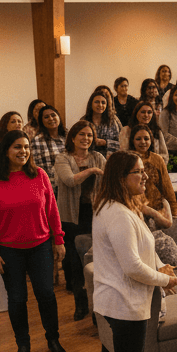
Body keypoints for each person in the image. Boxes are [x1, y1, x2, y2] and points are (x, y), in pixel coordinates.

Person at [91, 150, 177, 352]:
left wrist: (159, 266)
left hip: (129, 299)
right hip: (122, 301)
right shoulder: (116, 214)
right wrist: (165, 280)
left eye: (144, 170)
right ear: (120, 178)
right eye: (138, 172)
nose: (145, 176)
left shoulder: (126, 207)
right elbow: (130, 266)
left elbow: (142, 249)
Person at [0, 130, 66, 352]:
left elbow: (52, 210)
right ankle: (23, 345)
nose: (23, 151)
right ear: (5, 150)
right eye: (17, 146)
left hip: (41, 246)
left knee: (46, 295)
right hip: (8, 251)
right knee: (17, 299)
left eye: (26, 147)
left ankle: (53, 339)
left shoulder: (39, 175)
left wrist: (59, 239)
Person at [54, 120, 106, 321]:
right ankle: (81, 305)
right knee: (75, 263)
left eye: (90, 135)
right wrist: (92, 171)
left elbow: (108, 179)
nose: (86, 139)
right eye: (82, 135)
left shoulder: (98, 156)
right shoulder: (63, 158)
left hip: (95, 215)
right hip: (71, 218)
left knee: (95, 261)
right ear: (73, 138)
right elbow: (69, 180)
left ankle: (98, 307)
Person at [130, 123, 177, 217]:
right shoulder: (127, 159)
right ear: (132, 141)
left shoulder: (157, 159)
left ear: (151, 140)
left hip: (157, 209)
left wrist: (174, 210)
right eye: (138, 139)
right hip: (135, 210)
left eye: (146, 139)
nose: (143, 142)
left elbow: (167, 186)